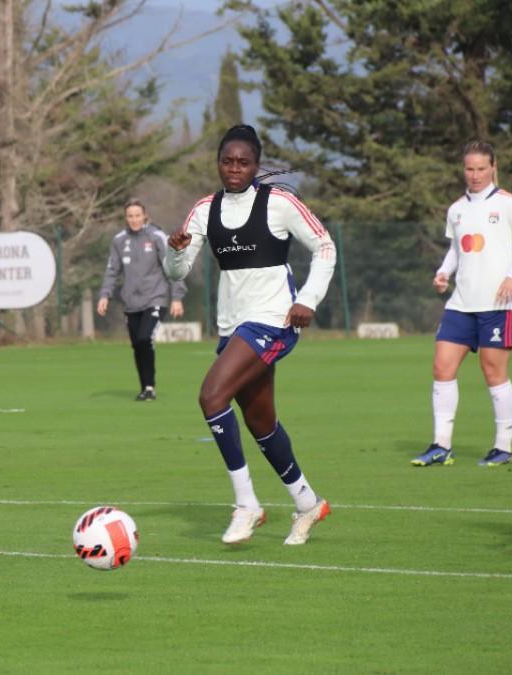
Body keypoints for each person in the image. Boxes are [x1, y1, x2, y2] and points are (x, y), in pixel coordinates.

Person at [165, 124, 337, 546]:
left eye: (243, 162)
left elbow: (325, 248)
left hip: (273, 320)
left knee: (211, 396)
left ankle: (247, 505)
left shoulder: (280, 203)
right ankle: (307, 501)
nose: (234, 168)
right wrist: (174, 250)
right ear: (218, 164)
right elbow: (178, 272)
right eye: (227, 161)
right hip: (233, 327)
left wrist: (309, 300)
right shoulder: (205, 210)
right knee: (260, 421)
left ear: (256, 165)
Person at [412, 140, 512, 467]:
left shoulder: (510, 203)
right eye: (469, 168)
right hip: (461, 303)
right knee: (441, 367)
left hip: (501, 305)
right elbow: (457, 249)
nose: (474, 175)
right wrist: (443, 272)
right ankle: (441, 446)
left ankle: (503, 447)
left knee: (492, 371)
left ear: (493, 167)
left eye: (481, 168)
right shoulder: (456, 209)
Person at [97, 199, 186, 401]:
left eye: (137, 215)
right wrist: (104, 295)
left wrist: (177, 297)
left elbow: (172, 266)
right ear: (125, 218)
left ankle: (150, 387)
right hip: (131, 303)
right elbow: (112, 270)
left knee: (145, 338)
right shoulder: (119, 240)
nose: (134, 219)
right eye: (130, 216)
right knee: (137, 343)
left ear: (144, 216)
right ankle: (145, 388)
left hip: (156, 297)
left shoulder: (157, 237)